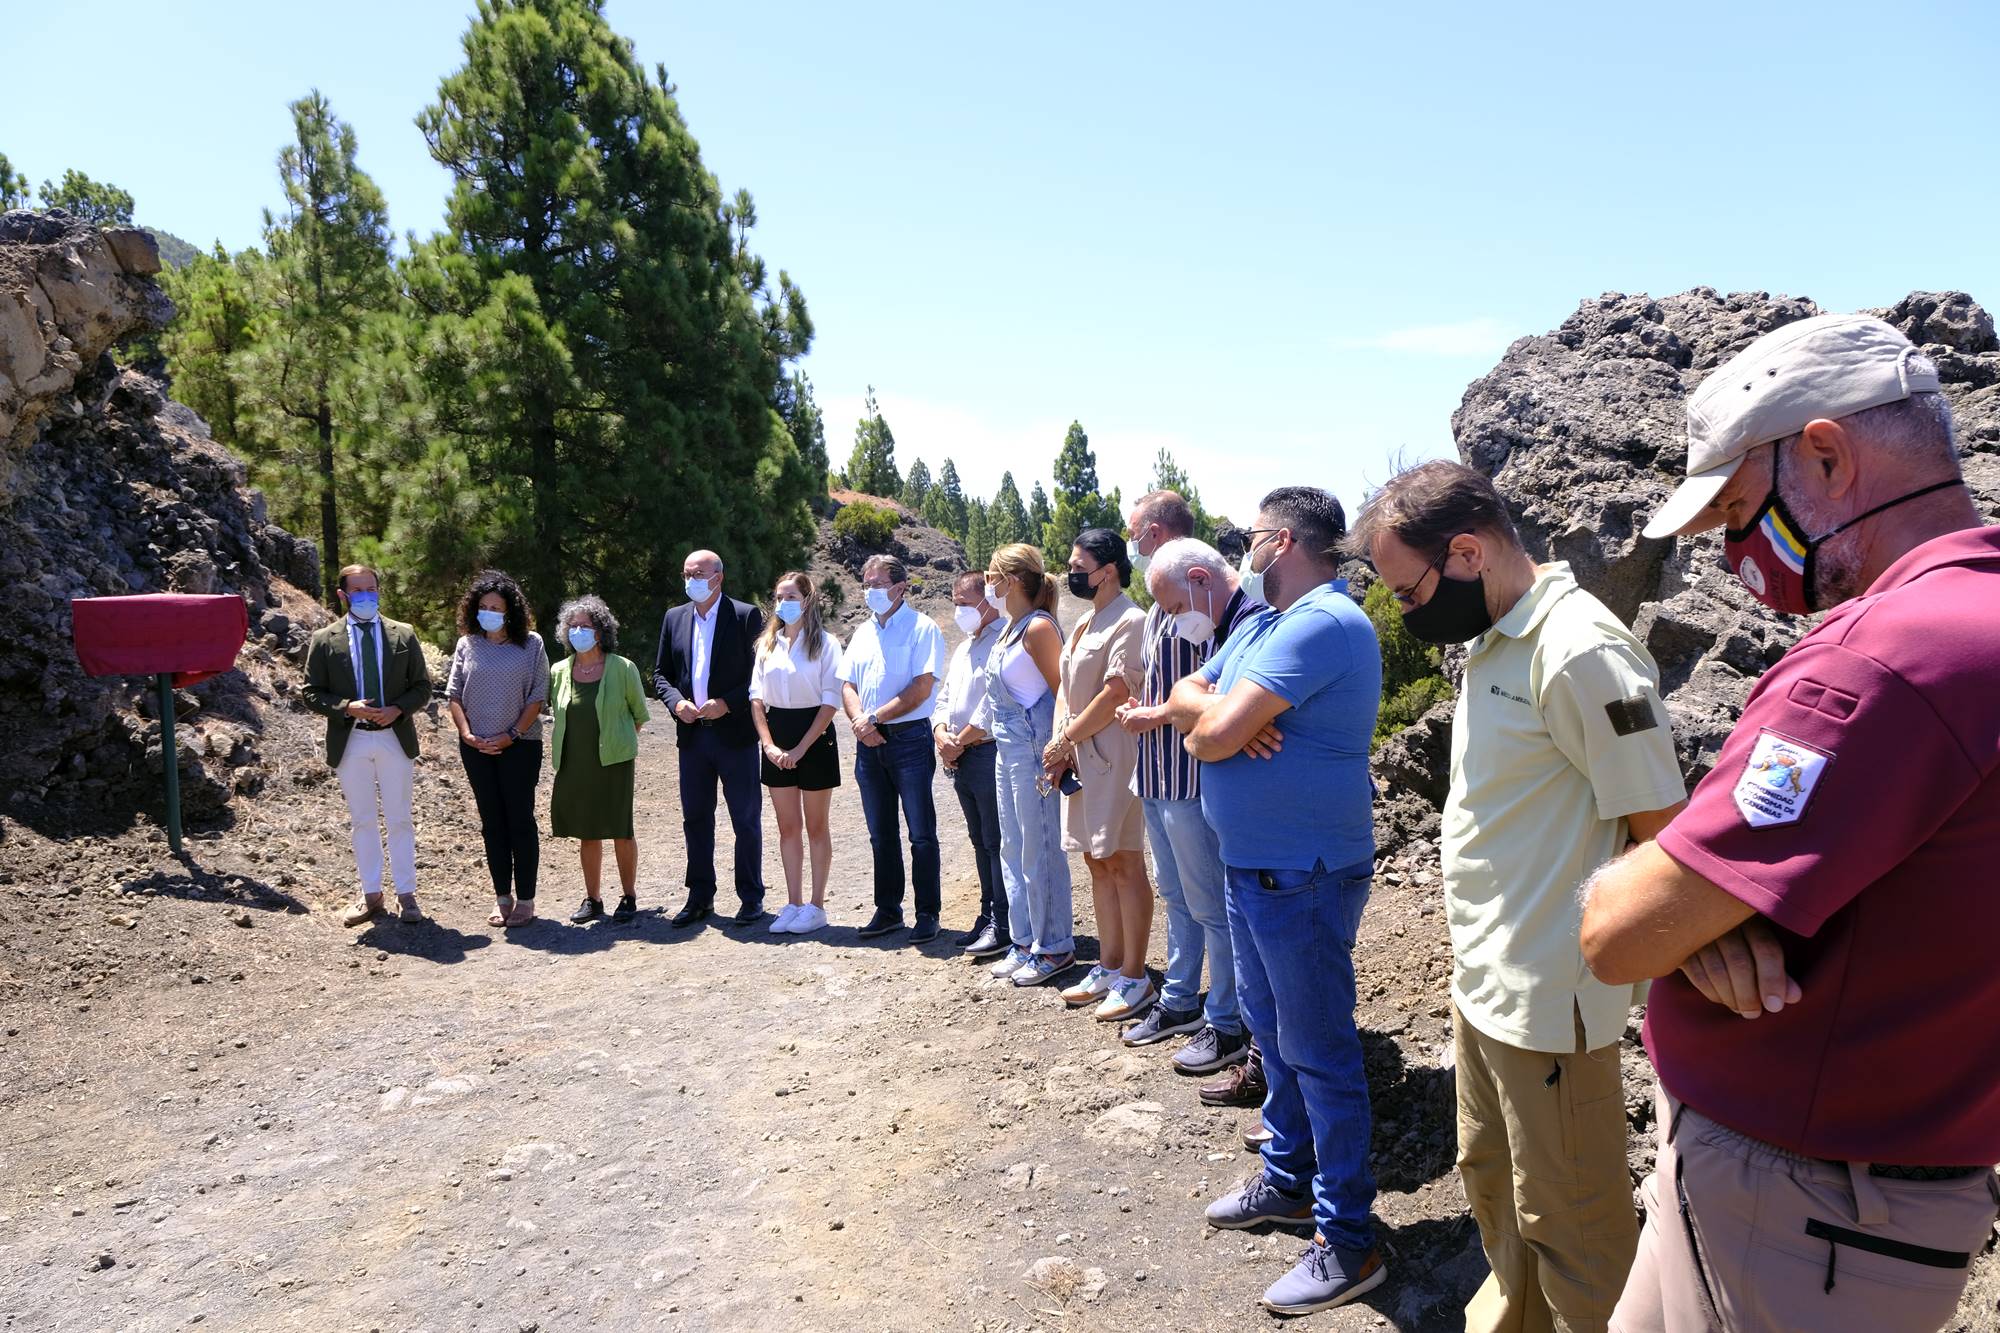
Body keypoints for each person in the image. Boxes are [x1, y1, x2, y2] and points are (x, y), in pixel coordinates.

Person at [1580, 313, 2000, 1333]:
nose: (1734, 557)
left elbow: (1616, 932)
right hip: (1886, 1199)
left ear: (1823, 451)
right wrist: (1716, 911)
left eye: (1735, 512)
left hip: (1793, 1212)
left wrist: (1681, 912)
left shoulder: (1881, 657)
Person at [1354, 461, 1688, 1333]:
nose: (1404, 611)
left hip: (1551, 997)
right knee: (1493, 1185)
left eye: (1409, 589)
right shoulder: (1497, 637)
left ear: (1467, 551)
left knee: (1573, 1226)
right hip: (1483, 980)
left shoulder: (1580, 650)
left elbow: (1667, 835)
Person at [1163, 486, 1387, 1315]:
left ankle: (1350, 1239)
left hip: (1305, 873)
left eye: (1254, 536)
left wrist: (1216, 720)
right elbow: (1193, 696)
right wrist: (1214, 711)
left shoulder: (1327, 621)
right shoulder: (1262, 623)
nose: (1244, 549)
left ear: (1282, 538)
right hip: (1254, 864)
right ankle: (1290, 1181)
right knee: (1276, 1038)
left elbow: (1210, 732)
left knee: (1321, 1051)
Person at [1117, 505, 1266, 1074]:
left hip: (1188, 777)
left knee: (1211, 907)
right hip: (1154, 774)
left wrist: (1156, 715)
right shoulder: (1166, 597)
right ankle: (1181, 1000)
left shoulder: (1212, 604)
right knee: (1178, 896)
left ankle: (1226, 1020)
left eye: (1136, 535)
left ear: (1156, 533)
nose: (1133, 544)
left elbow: (1218, 695)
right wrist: (1150, 708)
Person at [1046, 528, 1154, 1022]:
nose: (1070, 573)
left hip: (1114, 756)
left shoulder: (1130, 621)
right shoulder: (1088, 622)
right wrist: (1060, 745)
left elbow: (1114, 693)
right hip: (1081, 756)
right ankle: (1109, 966)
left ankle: (1136, 976)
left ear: (1108, 570)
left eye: (1078, 564)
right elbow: (1068, 688)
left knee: (1125, 862)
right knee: (1097, 860)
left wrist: (1068, 739)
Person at [303, 565, 433, 927]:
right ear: (342, 595)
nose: (366, 596)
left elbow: (422, 686)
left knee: (400, 819)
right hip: (351, 739)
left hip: (394, 737)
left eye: (371, 589)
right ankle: (371, 894)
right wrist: (347, 707)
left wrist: (398, 709)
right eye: (357, 591)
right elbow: (311, 692)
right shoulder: (324, 639)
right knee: (362, 821)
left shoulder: (403, 635)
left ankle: (407, 895)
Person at [653, 550, 767, 928]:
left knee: (745, 820)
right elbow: (661, 674)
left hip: (734, 736)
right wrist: (676, 703)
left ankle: (751, 897)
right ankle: (700, 895)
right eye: (686, 573)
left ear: (718, 577)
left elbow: (758, 675)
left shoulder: (745, 615)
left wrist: (728, 704)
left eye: (698, 573)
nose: (691, 580)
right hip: (693, 738)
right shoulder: (674, 617)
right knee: (696, 818)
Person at [980, 543, 1074, 985]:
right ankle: (1024, 940)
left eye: (993, 575)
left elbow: (1063, 694)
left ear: (1012, 580)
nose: (988, 583)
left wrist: (1060, 751)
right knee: (1013, 848)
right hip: (1008, 750)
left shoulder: (1038, 629)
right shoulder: (1010, 627)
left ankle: (1054, 945)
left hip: (1035, 752)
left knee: (1040, 849)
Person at [840, 553, 947, 942]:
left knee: (921, 832)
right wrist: (860, 722)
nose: (870, 591)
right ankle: (888, 911)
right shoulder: (863, 632)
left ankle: (927, 914)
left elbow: (921, 688)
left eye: (878, 584)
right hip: (868, 743)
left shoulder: (923, 628)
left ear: (901, 587)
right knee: (880, 833)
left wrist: (876, 718)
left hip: (908, 740)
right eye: (866, 584)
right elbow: (847, 684)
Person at [445, 569, 550, 928]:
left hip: (520, 746)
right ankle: (502, 896)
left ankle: (526, 899)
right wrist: (466, 733)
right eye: (483, 606)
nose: (489, 611)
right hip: (476, 748)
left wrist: (512, 735)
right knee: (492, 824)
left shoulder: (531, 644)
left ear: (511, 611)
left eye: (497, 607)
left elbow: (537, 697)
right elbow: (454, 695)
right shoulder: (466, 644)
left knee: (520, 821)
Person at [749, 570, 843, 935]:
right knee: (788, 827)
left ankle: (817, 906)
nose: (783, 604)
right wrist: (769, 745)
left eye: (790, 597)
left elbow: (830, 700)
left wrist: (802, 747)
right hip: (776, 735)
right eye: (778, 597)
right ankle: (794, 902)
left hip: (815, 736)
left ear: (807, 599)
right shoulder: (766, 645)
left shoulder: (826, 644)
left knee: (816, 826)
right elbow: (756, 698)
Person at [550, 595, 650, 926]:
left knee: (620, 828)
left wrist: (616, 741)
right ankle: (593, 899)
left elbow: (638, 714)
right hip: (574, 762)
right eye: (572, 626)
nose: (578, 631)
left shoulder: (622, 668)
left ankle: (629, 896)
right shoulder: (559, 671)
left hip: (614, 761)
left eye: (585, 625)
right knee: (587, 832)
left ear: (601, 630)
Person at [933, 570, 1008, 958]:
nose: (957, 610)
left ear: (988, 600)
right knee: (979, 841)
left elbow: (993, 703)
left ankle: (1004, 921)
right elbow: (944, 696)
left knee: (997, 842)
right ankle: (986, 913)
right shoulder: (964, 646)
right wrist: (941, 732)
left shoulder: (1003, 641)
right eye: (955, 602)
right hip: (961, 756)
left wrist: (958, 742)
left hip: (985, 752)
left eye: (964, 602)